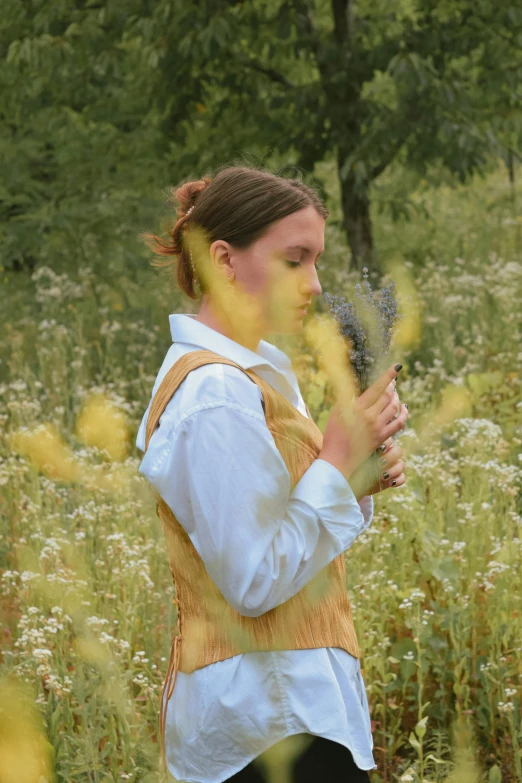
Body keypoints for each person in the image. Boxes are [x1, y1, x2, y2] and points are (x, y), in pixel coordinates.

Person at [135, 165, 408, 783]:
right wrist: (335, 463)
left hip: (290, 710)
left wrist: (355, 477)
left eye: (316, 260)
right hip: (265, 721)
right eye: (295, 260)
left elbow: (283, 538)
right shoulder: (215, 395)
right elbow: (254, 579)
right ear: (225, 260)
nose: (314, 283)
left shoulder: (252, 378)